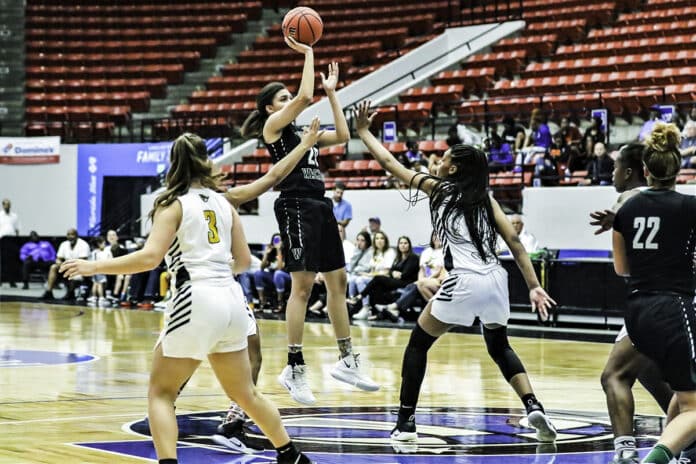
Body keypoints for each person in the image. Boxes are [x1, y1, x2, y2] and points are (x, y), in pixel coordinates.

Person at [59, 132, 314, 464]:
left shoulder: (172, 204)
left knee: (161, 393)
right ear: (205, 161)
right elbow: (245, 261)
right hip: (232, 299)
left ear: (173, 164)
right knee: (245, 393)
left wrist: (95, 266)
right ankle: (291, 455)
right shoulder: (224, 202)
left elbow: (150, 258)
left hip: (196, 297)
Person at [354, 100, 558, 445]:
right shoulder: (486, 198)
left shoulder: (439, 189)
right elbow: (516, 244)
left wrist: (362, 132)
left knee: (417, 345)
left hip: (463, 279)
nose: (440, 160)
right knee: (499, 346)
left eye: (445, 157)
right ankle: (532, 404)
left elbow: (390, 163)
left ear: (452, 170)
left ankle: (405, 423)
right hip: (495, 278)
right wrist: (534, 287)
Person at [240, 36, 379, 405]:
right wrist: (308, 52)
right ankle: (294, 365)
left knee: (339, 281)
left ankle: (347, 359)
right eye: (282, 98)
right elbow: (303, 96)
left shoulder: (306, 133)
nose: (291, 101)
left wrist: (332, 92)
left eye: (287, 97)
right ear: (270, 106)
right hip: (295, 204)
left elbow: (345, 136)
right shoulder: (274, 128)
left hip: (319, 206)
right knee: (301, 287)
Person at [611, 122, 696, 464]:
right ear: (678, 168)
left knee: (682, 388)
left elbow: (621, 268)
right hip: (674, 308)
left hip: (637, 311)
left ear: (646, 170)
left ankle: (668, 452)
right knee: (695, 406)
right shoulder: (690, 207)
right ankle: (657, 458)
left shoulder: (626, 209)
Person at [589, 142, 675, 464]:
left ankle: (625, 451)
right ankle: (686, 440)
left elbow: (621, 268)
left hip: (653, 300)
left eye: (614, 168)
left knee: (614, 375)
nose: (611, 174)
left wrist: (619, 219)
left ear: (629, 171)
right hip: (678, 299)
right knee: (652, 374)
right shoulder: (678, 200)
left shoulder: (628, 198)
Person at [349, 236, 420, 320]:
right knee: (376, 287)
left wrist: (395, 273)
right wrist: (393, 273)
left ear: (409, 245)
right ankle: (376, 313)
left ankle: (360, 296)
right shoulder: (398, 258)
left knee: (378, 278)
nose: (403, 245)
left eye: (405, 243)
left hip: (407, 283)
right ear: (398, 245)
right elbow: (391, 271)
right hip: (396, 281)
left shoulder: (413, 257)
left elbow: (406, 274)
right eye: (401, 243)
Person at [40, 228, 90, 300]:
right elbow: (58, 258)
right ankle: (49, 291)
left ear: (77, 235)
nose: (70, 236)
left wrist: (67, 265)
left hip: (81, 269)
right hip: (68, 267)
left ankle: (70, 293)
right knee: (53, 267)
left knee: (73, 273)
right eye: (68, 234)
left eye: (72, 234)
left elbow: (83, 261)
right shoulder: (64, 244)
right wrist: (59, 263)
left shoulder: (83, 244)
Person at [87, 236, 113, 308]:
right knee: (100, 283)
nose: (105, 245)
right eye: (104, 243)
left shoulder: (94, 252)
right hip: (98, 269)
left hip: (96, 269)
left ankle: (94, 297)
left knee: (95, 283)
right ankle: (101, 297)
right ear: (99, 244)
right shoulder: (97, 253)